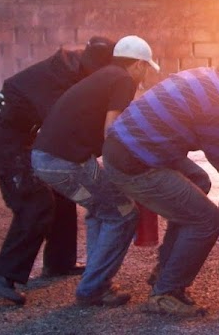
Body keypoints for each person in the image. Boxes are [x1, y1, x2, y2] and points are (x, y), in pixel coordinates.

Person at [101, 44, 219, 318]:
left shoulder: (200, 74)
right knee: (207, 219)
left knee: (198, 181)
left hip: (123, 145)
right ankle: (166, 292)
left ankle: (165, 269)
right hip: (135, 161)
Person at [0, 35, 117, 305]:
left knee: (62, 190)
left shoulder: (73, 70)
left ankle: (59, 262)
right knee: (36, 203)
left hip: (23, 137)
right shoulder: (58, 79)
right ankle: (2, 274)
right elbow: (66, 128)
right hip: (5, 140)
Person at [31, 35, 160, 307]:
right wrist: (129, 166)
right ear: (137, 64)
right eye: (146, 67)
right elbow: (111, 131)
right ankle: (93, 288)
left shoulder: (104, 75)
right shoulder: (123, 80)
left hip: (45, 158)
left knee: (101, 210)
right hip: (66, 162)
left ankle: (95, 280)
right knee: (123, 213)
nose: (145, 73)